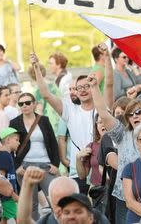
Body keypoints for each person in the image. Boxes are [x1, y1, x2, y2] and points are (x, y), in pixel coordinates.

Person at [88, 73, 141, 224]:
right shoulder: (121, 135)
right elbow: (103, 113)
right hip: (127, 200)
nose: (134, 116)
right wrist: (95, 87)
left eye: (138, 112)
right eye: (130, 114)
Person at [31, 52, 96, 195]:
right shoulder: (70, 110)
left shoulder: (102, 110)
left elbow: (109, 85)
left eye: (87, 86)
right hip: (77, 173)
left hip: (101, 172)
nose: (83, 90)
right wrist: (36, 67)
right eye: (79, 88)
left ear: (93, 87)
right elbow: (46, 94)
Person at [10, 92, 60, 220]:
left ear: (34, 104)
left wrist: (55, 164)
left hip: (46, 165)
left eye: (27, 103)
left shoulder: (44, 120)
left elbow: (53, 143)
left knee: (56, 201)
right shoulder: (14, 122)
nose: (24, 106)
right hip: (25, 166)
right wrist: (16, 166)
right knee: (31, 204)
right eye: (21, 104)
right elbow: (10, 146)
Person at [17, 166, 109, 224]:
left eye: (77, 210)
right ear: (51, 203)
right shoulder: (47, 221)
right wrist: (27, 184)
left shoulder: (98, 219)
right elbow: (23, 221)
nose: (70, 215)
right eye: (59, 205)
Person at [28, 64, 62, 133]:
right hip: (59, 119)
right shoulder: (53, 85)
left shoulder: (37, 89)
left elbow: (39, 111)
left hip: (48, 122)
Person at [0, 127, 20, 224]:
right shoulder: (4, 155)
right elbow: (1, 178)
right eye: (17, 140)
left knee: (3, 220)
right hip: (7, 197)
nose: (19, 143)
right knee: (22, 218)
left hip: (6, 197)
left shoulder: (7, 155)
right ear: (8, 140)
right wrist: (13, 194)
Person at [76, 113, 106, 187]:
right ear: (96, 126)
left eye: (105, 121)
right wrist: (78, 158)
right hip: (98, 192)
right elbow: (82, 176)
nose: (103, 125)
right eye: (100, 122)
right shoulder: (91, 146)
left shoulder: (118, 144)